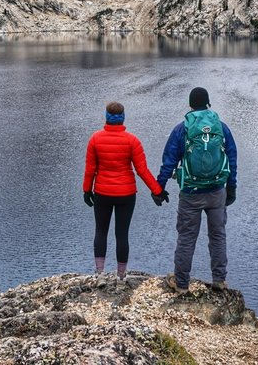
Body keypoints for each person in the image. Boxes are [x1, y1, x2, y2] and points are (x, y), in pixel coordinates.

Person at [156, 87, 237, 294]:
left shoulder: (182, 129)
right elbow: (232, 158)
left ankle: (181, 284)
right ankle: (219, 281)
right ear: (208, 103)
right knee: (218, 236)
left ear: (190, 105)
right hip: (217, 190)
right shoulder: (221, 127)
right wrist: (232, 187)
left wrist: (159, 187)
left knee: (186, 237)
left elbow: (169, 161)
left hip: (190, 192)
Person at [83, 101, 168, 279]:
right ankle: (121, 277)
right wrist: (158, 190)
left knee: (101, 231)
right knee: (122, 234)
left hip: (102, 193)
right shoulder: (132, 141)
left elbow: (90, 169)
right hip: (126, 194)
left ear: (106, 117)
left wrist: (86, 190)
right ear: (122, 118)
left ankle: (99, 274)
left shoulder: (95, 139)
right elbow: (142, 171)